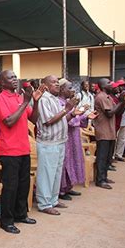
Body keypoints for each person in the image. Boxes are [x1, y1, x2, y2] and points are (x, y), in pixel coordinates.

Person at [0, 70, 43, 234]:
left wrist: (34, 103)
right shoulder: (0, 99)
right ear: (2, 82)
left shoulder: (20, 97)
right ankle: (6, 221)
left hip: (23, 148)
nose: (15, 80)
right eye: (10, 78)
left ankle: (21, 214)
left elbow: (33, 119)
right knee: (10, 187)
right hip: (9, 150)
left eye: (15, 77)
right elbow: (8, 121)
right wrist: (24, 103)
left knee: (24, 185)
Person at [35, 75, 79, 215]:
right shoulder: (43, 99)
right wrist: (67, 109)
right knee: (47, 174)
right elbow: (48, 121)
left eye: (57, 82)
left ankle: (53, 200)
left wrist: (71, 114)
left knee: (56, 174)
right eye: (53, 82)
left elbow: (60, 119)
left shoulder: (54, 99)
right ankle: (44, 204)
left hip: (59, 141)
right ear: (45, 85)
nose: (57, 84)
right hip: (48, 143)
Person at [58, 79, 97, 201]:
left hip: (74, 135)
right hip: (66, 136)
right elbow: (66, 119)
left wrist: (85, 114)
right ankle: (61, 190)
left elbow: (76, 116)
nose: (72, 90)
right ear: (62, 89)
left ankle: (69, 187)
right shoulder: (59, 103)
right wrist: (78, 115)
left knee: (73, 160)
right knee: (65, 163)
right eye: (69, 88)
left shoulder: (68, 102)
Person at [93, 78, 125, 189]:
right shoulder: (101, 97)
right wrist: (121, 101)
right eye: (109, 83)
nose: (112, 85)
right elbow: (109, 113)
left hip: (110, 131)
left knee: (108, 156)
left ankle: (104, 177)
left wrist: (124, 101)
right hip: (103, 131)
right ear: (104, 86)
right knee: (102, 156)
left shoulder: (109, 97)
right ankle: (100, 180)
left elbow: (118, 112)